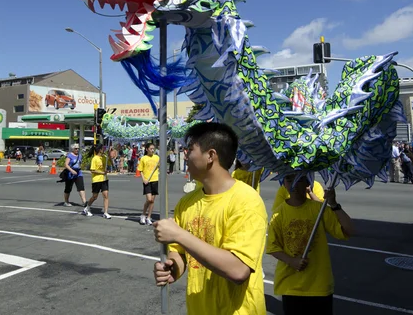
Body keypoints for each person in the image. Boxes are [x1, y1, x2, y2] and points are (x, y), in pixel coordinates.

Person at [153, 122, 268, 314]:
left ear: (211, 156)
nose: (185, 155)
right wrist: (172, 268)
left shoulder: (247, 201)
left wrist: (180, 235)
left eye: (190, 150)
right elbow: (180, 253)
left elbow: (238, 270)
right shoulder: (187, 202)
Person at [266, 174, 354, 315]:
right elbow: (272, 247)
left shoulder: (319, 209)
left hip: (319, 285)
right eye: (289, 179)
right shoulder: (278, 214)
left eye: (299, 179)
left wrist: (334, 204)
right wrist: (291, 261)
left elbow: (349, 230)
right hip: (291, 286)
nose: (294, 183)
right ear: (284, 184)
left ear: (308, 183)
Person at [84, 144, 111, 219]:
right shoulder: (95, 158)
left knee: (106, 195)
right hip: (96, 180)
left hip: (104, 179)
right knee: (95, 196)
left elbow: (110, 164)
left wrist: (109, 157)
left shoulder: (104, 157)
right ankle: (87, 207)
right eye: (103, 148)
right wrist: (102, 172)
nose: (104, 150)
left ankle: (105, 212)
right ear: (100, 150)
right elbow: (92, 170)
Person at [138, 143, 160, 226]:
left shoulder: (157, 158)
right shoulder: (143, 158)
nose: (152, 150)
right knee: (149, 199)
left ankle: (149, 217)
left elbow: (160, 166)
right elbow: (140, 170)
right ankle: (143, 215)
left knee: (152, 201)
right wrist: (143, 179)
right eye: (151, 148)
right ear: (147, 149)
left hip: (155, 180)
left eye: (153, 148)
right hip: (147, 181)